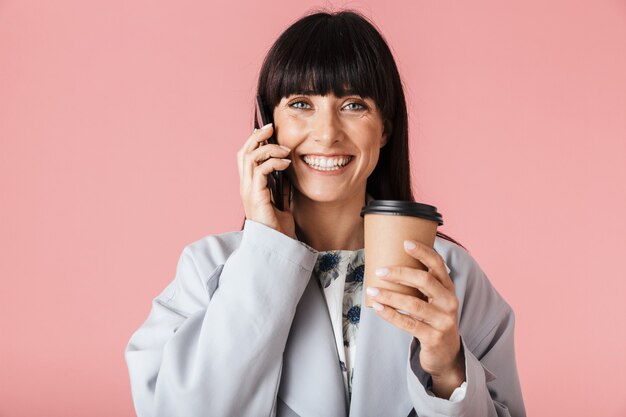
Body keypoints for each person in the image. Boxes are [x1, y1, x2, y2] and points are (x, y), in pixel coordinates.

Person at [125, 9, 526, 417]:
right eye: (301, 103)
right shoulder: (207, 269)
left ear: (384, 128)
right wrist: (264, 255)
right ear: (269, 125)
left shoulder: (451, 275)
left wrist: (449, 370)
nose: (327, 132)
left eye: (353, 105)